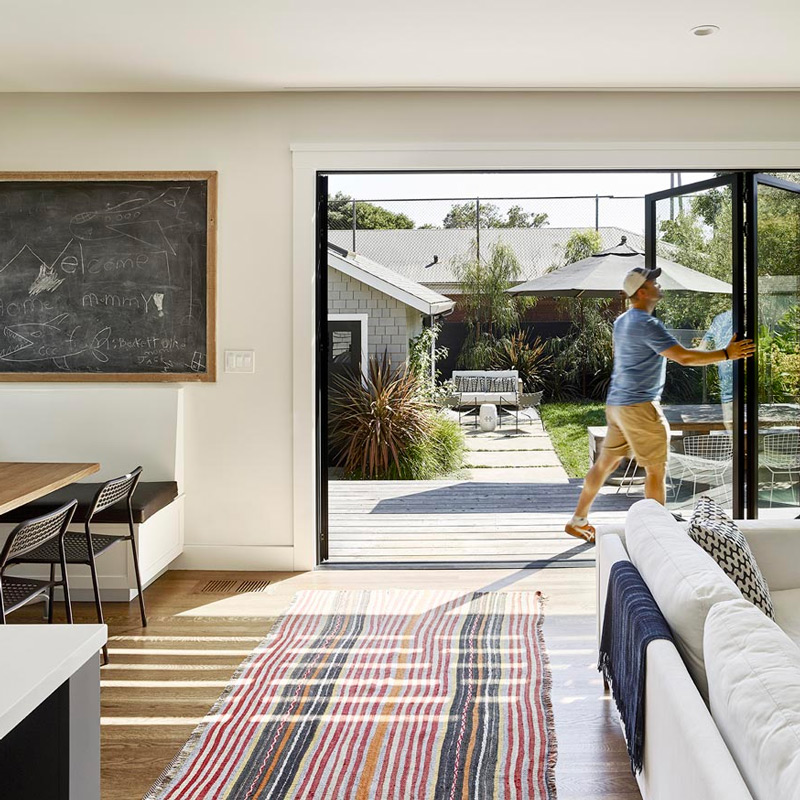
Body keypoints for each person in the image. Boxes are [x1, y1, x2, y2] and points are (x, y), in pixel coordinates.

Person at [564, 266, 755, 543]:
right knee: (656, 469)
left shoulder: (622, 321)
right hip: (640, 406)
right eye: (653, 281)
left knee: (605, 463)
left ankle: (578, 520)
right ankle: (659, 538)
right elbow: (684, 358)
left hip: (618, 404)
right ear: (642, 291)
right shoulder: (646, 324)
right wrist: (727, 353)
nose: (658, 284)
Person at [700, 309, 734, 429]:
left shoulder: (720, 318)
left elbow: (705, 341)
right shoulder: (724, 318)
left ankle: (733, 439)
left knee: (728, 404)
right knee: (729, 401)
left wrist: (701, 355)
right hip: (727, 365)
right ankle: (736, 440)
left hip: (725, 365)